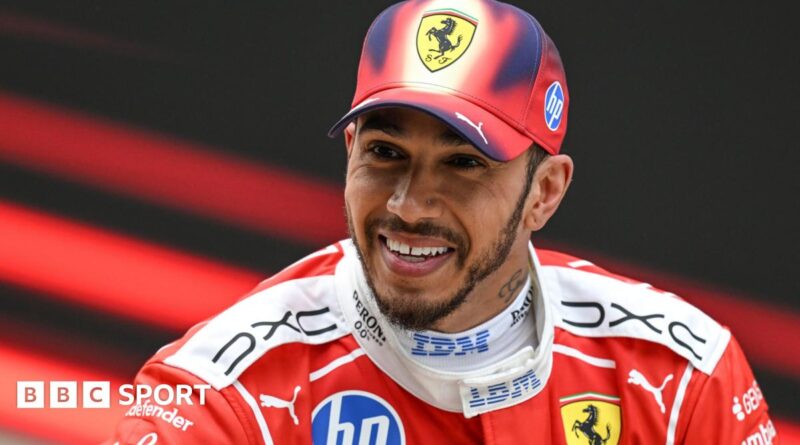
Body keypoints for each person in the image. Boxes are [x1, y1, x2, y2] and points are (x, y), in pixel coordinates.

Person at [106, 0, 777, 444]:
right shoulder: (225, 395)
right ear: (349, 155)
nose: (409, 204)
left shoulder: (680, 375)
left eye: (463, 163)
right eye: (385, 153)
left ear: (545, 192)